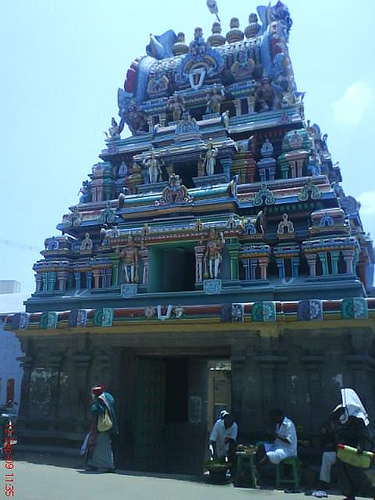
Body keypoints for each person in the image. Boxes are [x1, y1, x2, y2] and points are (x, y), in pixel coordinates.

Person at [331, 388, 375, 500]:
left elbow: (363, 436)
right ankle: (349, 495)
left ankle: (372, 492)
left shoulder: (358, 419)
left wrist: (360, 446)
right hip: (343, 451)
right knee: (344, 475)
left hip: (353, 452)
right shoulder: (344, 416)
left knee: (358, 476)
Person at [85, 383, 119, 472]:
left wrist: (94, 405)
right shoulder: (108, 397)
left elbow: (96, 410)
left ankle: (108, 465)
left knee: (101, 447)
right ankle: (95, 464)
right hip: (109, 425)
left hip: (102, 426)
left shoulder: (100, 400)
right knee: (103, 446)